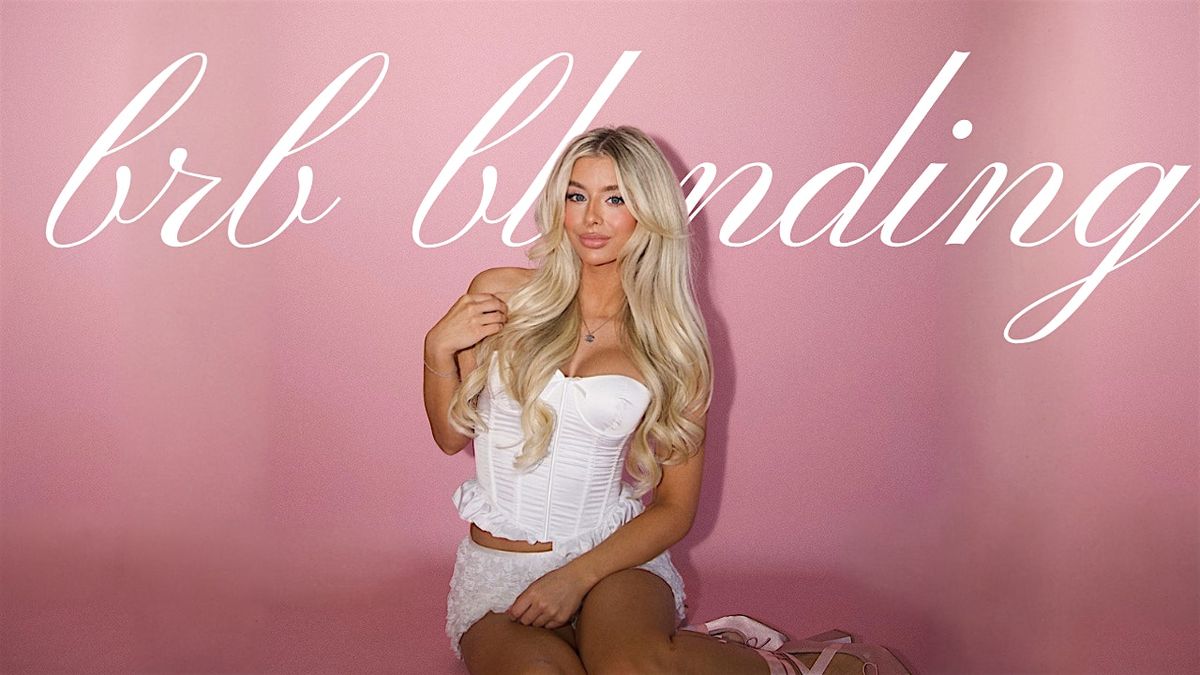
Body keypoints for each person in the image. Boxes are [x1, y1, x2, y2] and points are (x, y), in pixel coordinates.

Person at [422, 126, 908, 675]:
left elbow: (676, 506)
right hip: (498, 572)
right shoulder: (501, 293)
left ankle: (802, 667)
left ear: (649, 213)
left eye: (616, 199)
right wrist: (435, 349)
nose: (591, 218)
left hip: (612, 564)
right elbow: (451, 436)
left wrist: (576, 576)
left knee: (631, 667)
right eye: (577, 196)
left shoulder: (672, 345)